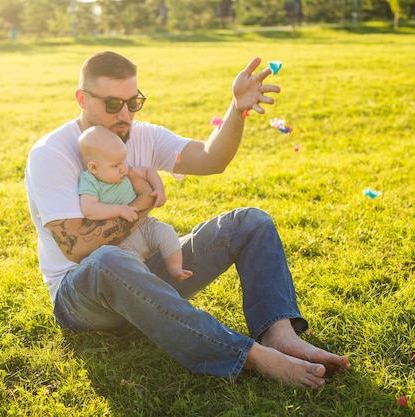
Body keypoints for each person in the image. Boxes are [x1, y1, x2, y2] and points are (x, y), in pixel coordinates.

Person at [25, 51, 350, 388]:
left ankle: (279, 334)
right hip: (83, 298)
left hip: (146, 275)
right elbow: (77, 248)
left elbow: (210, 159)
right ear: (82, 98)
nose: (125, 115)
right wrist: (144, 201)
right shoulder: (51, 154)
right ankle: (251, 356)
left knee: (250, 222)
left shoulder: (142, 135)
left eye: (133, 102)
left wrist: (236, 109)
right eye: (112, 104)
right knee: (108, 258)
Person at [78, 125, 192, 281]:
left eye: (123, 161)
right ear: (93, 168)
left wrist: (158, 189)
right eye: (115, 165)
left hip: (145, 225)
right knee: (127, 266)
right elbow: (89, 209)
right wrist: (119, 210)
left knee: (166, 232)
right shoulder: (90, 181)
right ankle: (147, 283)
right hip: (121, 243)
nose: (122, 168)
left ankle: (175, 269)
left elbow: (147, 171)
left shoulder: (125, 170)